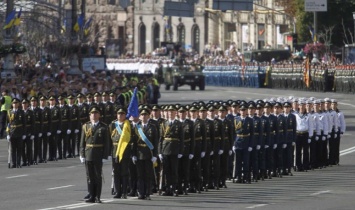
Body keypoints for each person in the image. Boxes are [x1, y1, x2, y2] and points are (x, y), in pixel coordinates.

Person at [80, 106, 110, 203]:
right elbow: (82, 143)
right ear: (89, 115)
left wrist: (105, 156)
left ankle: (97, 196)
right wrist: (82, 154)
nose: (94, 115)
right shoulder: (86, 126)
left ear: (99, 115)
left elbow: (107, 143)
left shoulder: (103, 127)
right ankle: (91, 196)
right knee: (89, 176)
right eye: (92, 113)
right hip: (88, 154)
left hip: (98, 154)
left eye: (96, 113)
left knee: (97, 176)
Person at [133, 108, 158, 200]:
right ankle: (141, 193)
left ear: (148, 116)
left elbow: (156, 142)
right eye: (142, 115)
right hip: (139, 153)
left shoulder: (153, 127)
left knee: (148, 175)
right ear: (139, 116)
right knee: (140, 175)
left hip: (149, 154)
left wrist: (155, 155)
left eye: (145, 115)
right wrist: (133, 154)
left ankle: (147, 193)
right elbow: (134, 142)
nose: (143, 117)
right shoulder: (136, 127)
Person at [7, 98, 26, 168]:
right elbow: (8, 124)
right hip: (12, 132)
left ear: (18, 104)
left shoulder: (21, 112)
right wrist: (8, 134)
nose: (15, 104)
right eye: (14, 103)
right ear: (12, 104)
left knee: (19, 148)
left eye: (16, 103)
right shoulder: (9, 112)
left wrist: (24, 133)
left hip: (19, 132)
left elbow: (24, 124)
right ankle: (13, 163)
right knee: (13, 149)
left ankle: (18, 163)